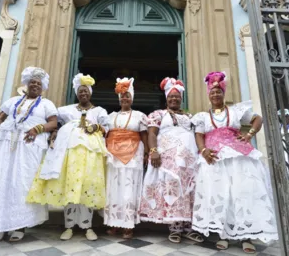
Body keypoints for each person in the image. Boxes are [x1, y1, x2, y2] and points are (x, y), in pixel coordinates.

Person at [191, 71, 278, 253]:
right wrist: (204, 150)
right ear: (208, 94)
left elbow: (257, 119)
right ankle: (225, 235)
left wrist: (249, 135)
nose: (215, 94)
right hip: (215, 160)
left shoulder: (236, 111)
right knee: (222, 195)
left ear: (223, 93)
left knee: (242, 193)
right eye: (212, 92)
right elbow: (199, 136)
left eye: (218, 91)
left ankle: (246, 237)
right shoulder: (203, 117)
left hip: (239, 158)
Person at [0, 67, 58, 242]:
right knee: (0, 181)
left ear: (42, 87)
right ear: (26, 84)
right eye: (32, 82)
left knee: (21, 184)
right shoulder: (12, 101)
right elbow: (0, 119)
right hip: (4, 146)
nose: (35, 85)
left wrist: (38, 128)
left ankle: (19, 225)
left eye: (38, 83)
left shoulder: (46, 104)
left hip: (28, 148)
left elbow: (53, 123)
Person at [26, 73, 109, 241]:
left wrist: (96, 127)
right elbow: (57, 125)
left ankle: (87, 226)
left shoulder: (99, 111)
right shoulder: (66, 110)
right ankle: (69, 226)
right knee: (70, 187)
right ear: (77, 93)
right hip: (69, 152)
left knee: (88, 187)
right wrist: (55, 134)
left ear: (90, 93)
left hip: (91, 152)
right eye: (80, 91)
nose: (83, 94)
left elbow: (107, 130)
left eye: (86, 91)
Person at [140, 78, 203, 244]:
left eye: (177, 97)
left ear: (181, 99)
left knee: (190, 188)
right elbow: (152, 134)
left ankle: (189, 227)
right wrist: (153, 151)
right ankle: (174, 227)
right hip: (168, 159)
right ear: (166, 98)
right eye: (171, 97)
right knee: (172, 189)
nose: (174, 99)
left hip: (189, 159)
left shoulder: (190, 117)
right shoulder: (159, 115)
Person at [104, 78, 149, 239]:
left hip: (133, 153)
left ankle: (128, 224)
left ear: (132, 98)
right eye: (122, 96)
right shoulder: (110, 116)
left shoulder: (139, 116)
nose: (125, 98)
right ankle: (114, 222)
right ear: (119, 98)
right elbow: (104, 134)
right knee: (114, 187)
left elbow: (144, 135)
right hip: (113, 154)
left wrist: (147, 153)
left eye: (127, 96)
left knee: (130, 188)